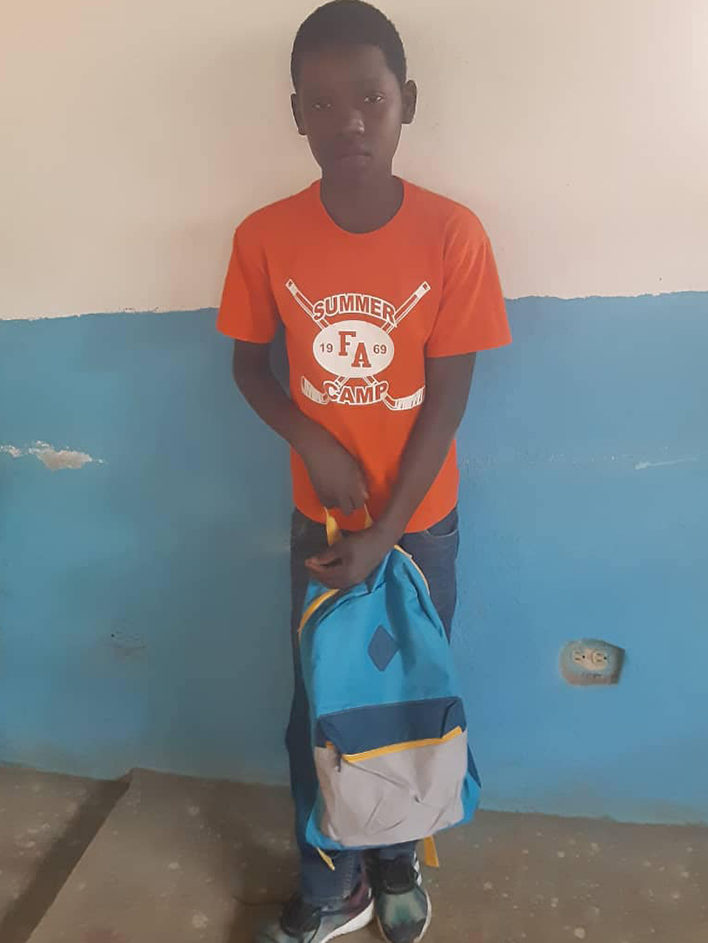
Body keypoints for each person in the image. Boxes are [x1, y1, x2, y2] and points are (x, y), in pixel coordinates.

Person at [217, 2, 511, 940]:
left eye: (370, 99)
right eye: (322, 102)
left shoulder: (453, 235)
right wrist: (310, 439)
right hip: (324, 525)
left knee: (408, 699)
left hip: (420, 525)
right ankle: (328, 881)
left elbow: (448, 397)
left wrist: (390, 531)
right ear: (295, 114)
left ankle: (395, 859)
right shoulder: (266, 236)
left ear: (406, 102)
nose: (347, 120)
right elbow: (249, 368)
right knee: (321, 703)